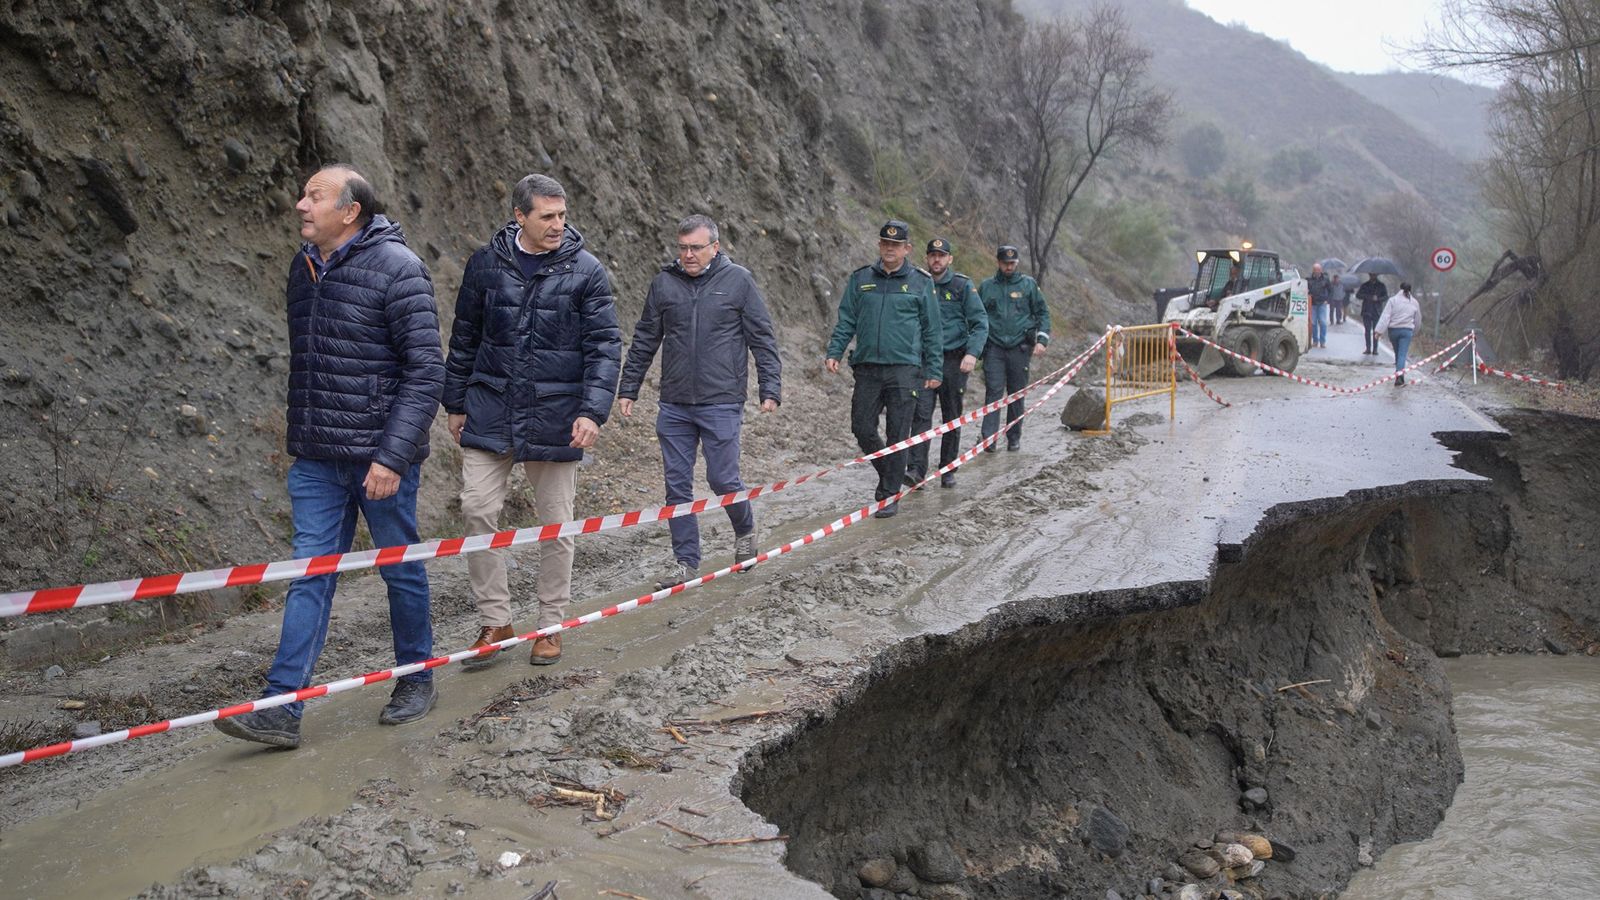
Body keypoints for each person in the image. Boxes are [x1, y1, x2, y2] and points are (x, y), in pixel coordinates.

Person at [215, 164, 444, 749]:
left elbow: (425, 372)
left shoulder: (400, 269)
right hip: (317, 458)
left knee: (400, 569)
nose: (300, 205)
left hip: (380, 459)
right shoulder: (304, 268)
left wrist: (392, 458)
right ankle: (280, 708)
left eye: (314, 196)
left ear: (350, 211)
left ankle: (416, 678)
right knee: (308, 575)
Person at [444, 174, 621, 668]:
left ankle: (550, 624)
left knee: (555, 526)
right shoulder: (484, 265)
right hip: (490, 407)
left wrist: (592, 411)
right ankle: (495, 622)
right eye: (547, 216)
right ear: (519, 216)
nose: (558, 225)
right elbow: (464, 339)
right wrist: (454, 402)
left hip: (557, 415)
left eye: (562, 215)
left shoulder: (586, 271)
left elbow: (605, 347)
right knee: (476, 508)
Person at [618, 215, 781, 590]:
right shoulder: (664, 283)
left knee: (722, 478)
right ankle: (685, 563)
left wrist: (769, 388)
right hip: (674, 402)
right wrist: (629, 388)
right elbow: (644, 339)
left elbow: (762, 337)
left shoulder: (738, 281)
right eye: (683, 247)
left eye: (696, 247)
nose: (688, 255)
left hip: (721, 399)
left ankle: (745, 530)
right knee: (677, 487)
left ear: (715, 247)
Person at [825, 220, 941, 519]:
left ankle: (888, 494)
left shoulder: (920, 281)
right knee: (861, 427)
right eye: (885, 244)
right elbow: (847, 318)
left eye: (896, 245)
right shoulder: (861, 278)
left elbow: (932, 329)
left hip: (905, 369)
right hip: (867, 367)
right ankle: (893, 471)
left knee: (898, 434)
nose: (890, 249)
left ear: (907, 249)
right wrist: (835, 350)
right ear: (879, 246)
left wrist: (934, 369)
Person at [906, 238, 988, 488]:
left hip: (954, 361)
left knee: (951, 416)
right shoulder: (918, 282)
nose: (937, 260)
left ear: (950, 259)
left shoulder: (962, 285)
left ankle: (948, 468)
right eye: (932, 255)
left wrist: (972, 353)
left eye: (942, 255)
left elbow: (980, 322)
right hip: (925, 361)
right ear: (926, 258)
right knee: (920, 416)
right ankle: (916, 471)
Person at [978, 245, 1050, 452]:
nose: (1008, 267)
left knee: (1017, 393)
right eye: (1005, 263)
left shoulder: (1028, 285)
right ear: (998, 263)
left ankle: (1013, 436)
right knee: (993, 391)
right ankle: (988, 438)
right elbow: (976, 316)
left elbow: (1043, 313)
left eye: (1012, 263)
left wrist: (1042, 340)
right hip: (994, 348)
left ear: (1016, 263)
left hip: (1020, 348)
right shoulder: (987, 287)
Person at [1376, 282, 1422, 386]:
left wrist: (1379, 331)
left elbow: (1385, 316)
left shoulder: (1393, 300)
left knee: (1398, 353)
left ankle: (1398, 372)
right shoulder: (1414, 302)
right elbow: (1418, 319)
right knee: (1402, 354)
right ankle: (1399, 376)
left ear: (1400, 289)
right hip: (1407, 331)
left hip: (1394, 331)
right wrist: (1415, 331)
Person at [1357, 273, 1389, 355]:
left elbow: (1386, 297)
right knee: (1367, 331)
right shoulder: (1365, 285)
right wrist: (1368, 297)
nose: (1372, 276)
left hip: (1376, 311)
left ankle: (1375, 349)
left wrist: (1378, 299)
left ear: (1376, 276)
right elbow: (1358, 295)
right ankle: (1368, 348)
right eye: (1371, 275)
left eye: (1374, 275)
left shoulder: (1381, 286)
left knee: (1376, 331)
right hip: (1366, 310)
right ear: (1369, 275)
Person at [1306, 263, 1331, 348]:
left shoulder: (1326, 279)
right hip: (1312, 304)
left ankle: (1322, 341)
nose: (1316, 271)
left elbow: (1331, 290)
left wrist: (1327, 300)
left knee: (1323, 322)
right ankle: (1315, 340)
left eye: (1318, 270)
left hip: (1322, 304)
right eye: (1315, 270)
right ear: (1313, 270)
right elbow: (1305, 289)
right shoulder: (1309, 279)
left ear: (1321, 270)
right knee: (1313, 323)